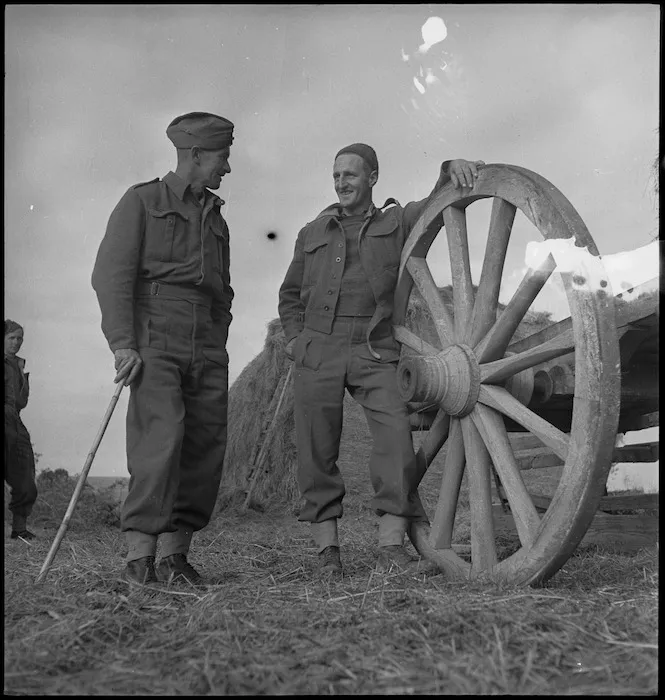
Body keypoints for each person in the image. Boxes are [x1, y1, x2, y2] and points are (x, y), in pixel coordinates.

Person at [278, 143, 483, 575]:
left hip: (374, 348)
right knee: (317, 450)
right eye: (336, 176)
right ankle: (326, 555)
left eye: (350, 175)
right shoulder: (310, 233)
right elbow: (289, 296)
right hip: (319, 348)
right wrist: (298, 341)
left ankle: (391, 550)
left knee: (395, 441)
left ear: (372, 177)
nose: (341, 183)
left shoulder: (396, 221)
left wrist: (449, 167)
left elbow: (433, 205)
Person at [91, 112, 235, 587]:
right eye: (223, 156)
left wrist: (218, 341)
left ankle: (176, 558)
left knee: (203, 445)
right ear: (196, 155)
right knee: (161, 441)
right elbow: (111, 276)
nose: (227, 168)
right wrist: (122, 344)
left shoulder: (217, 218)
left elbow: (223, 294)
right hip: (156, 338)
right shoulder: (142, 201)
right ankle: (139, 560)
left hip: (206, 345)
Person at [4, 320, 38, 541]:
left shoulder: (18, 365)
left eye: (20, 338)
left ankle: (19, 529)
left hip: (15, 419)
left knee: (25, 474)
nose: (16, 342)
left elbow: (21, 401)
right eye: (11, 338)